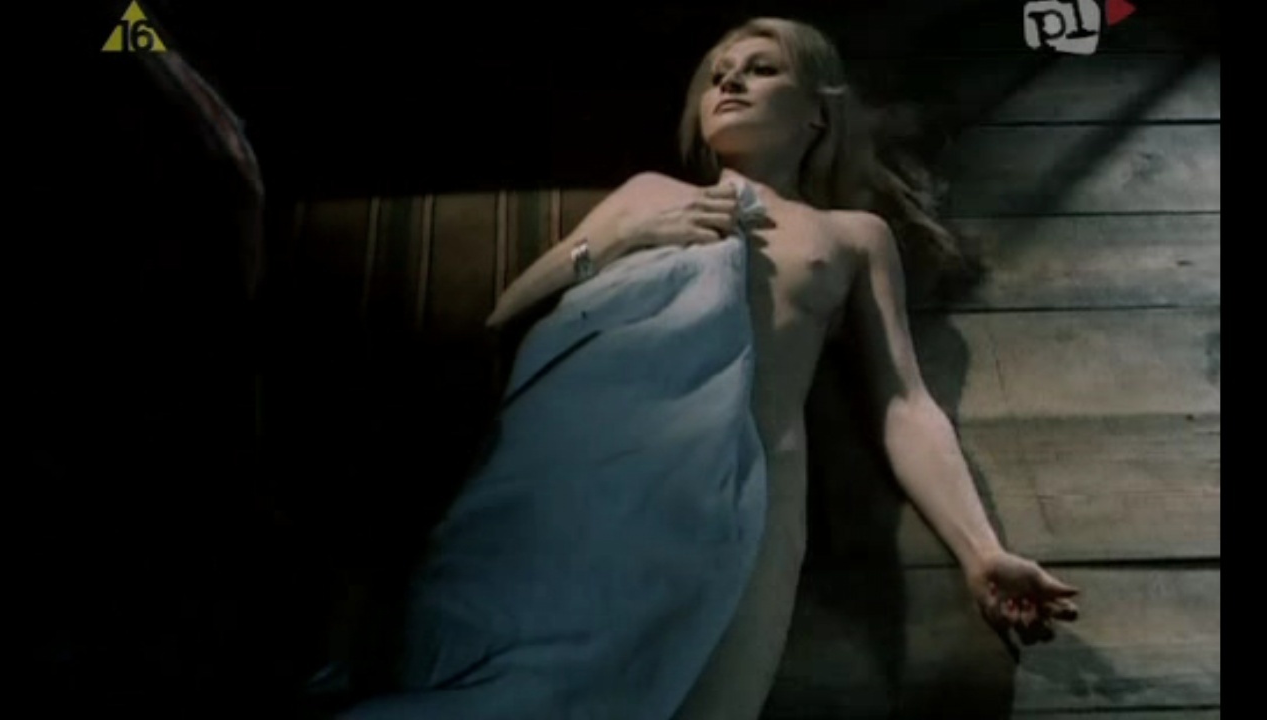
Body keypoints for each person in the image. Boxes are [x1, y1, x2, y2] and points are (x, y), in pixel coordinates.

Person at [344, 16, 1081, 720]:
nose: (729, 82)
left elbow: (905, 404)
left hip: (748, 490)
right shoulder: (652, 195)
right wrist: (626, 240)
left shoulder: (851, 236)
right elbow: (510, 311)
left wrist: (981, 552)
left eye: (761, 70)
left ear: (817, 114)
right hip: (590, 455)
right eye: (718, 74)